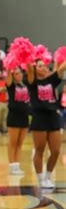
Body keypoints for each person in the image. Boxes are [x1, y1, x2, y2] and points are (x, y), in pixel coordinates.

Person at [26, 60, 66, 189]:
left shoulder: (51, 80)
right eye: (40, 66)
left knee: (55, 150)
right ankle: (40, 179)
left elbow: (62, 68)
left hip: (53, 116)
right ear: (35, 68)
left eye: (44, 66)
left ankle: (48, 177)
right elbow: (29, 69)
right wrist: (27, 57)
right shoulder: (32, 82)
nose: (43, 68)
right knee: (39, 150)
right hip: (39, 117)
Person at [5, 67, 29, 175]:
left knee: (20, 143)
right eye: (16, 74)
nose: (18, 75)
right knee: (13, 143)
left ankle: (17, 165)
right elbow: (8, 79)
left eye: (19, 73)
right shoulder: (11, 86)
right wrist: (10, 68)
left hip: (24, 117)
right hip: (14, 117)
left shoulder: (26, 85)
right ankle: (12, 166)